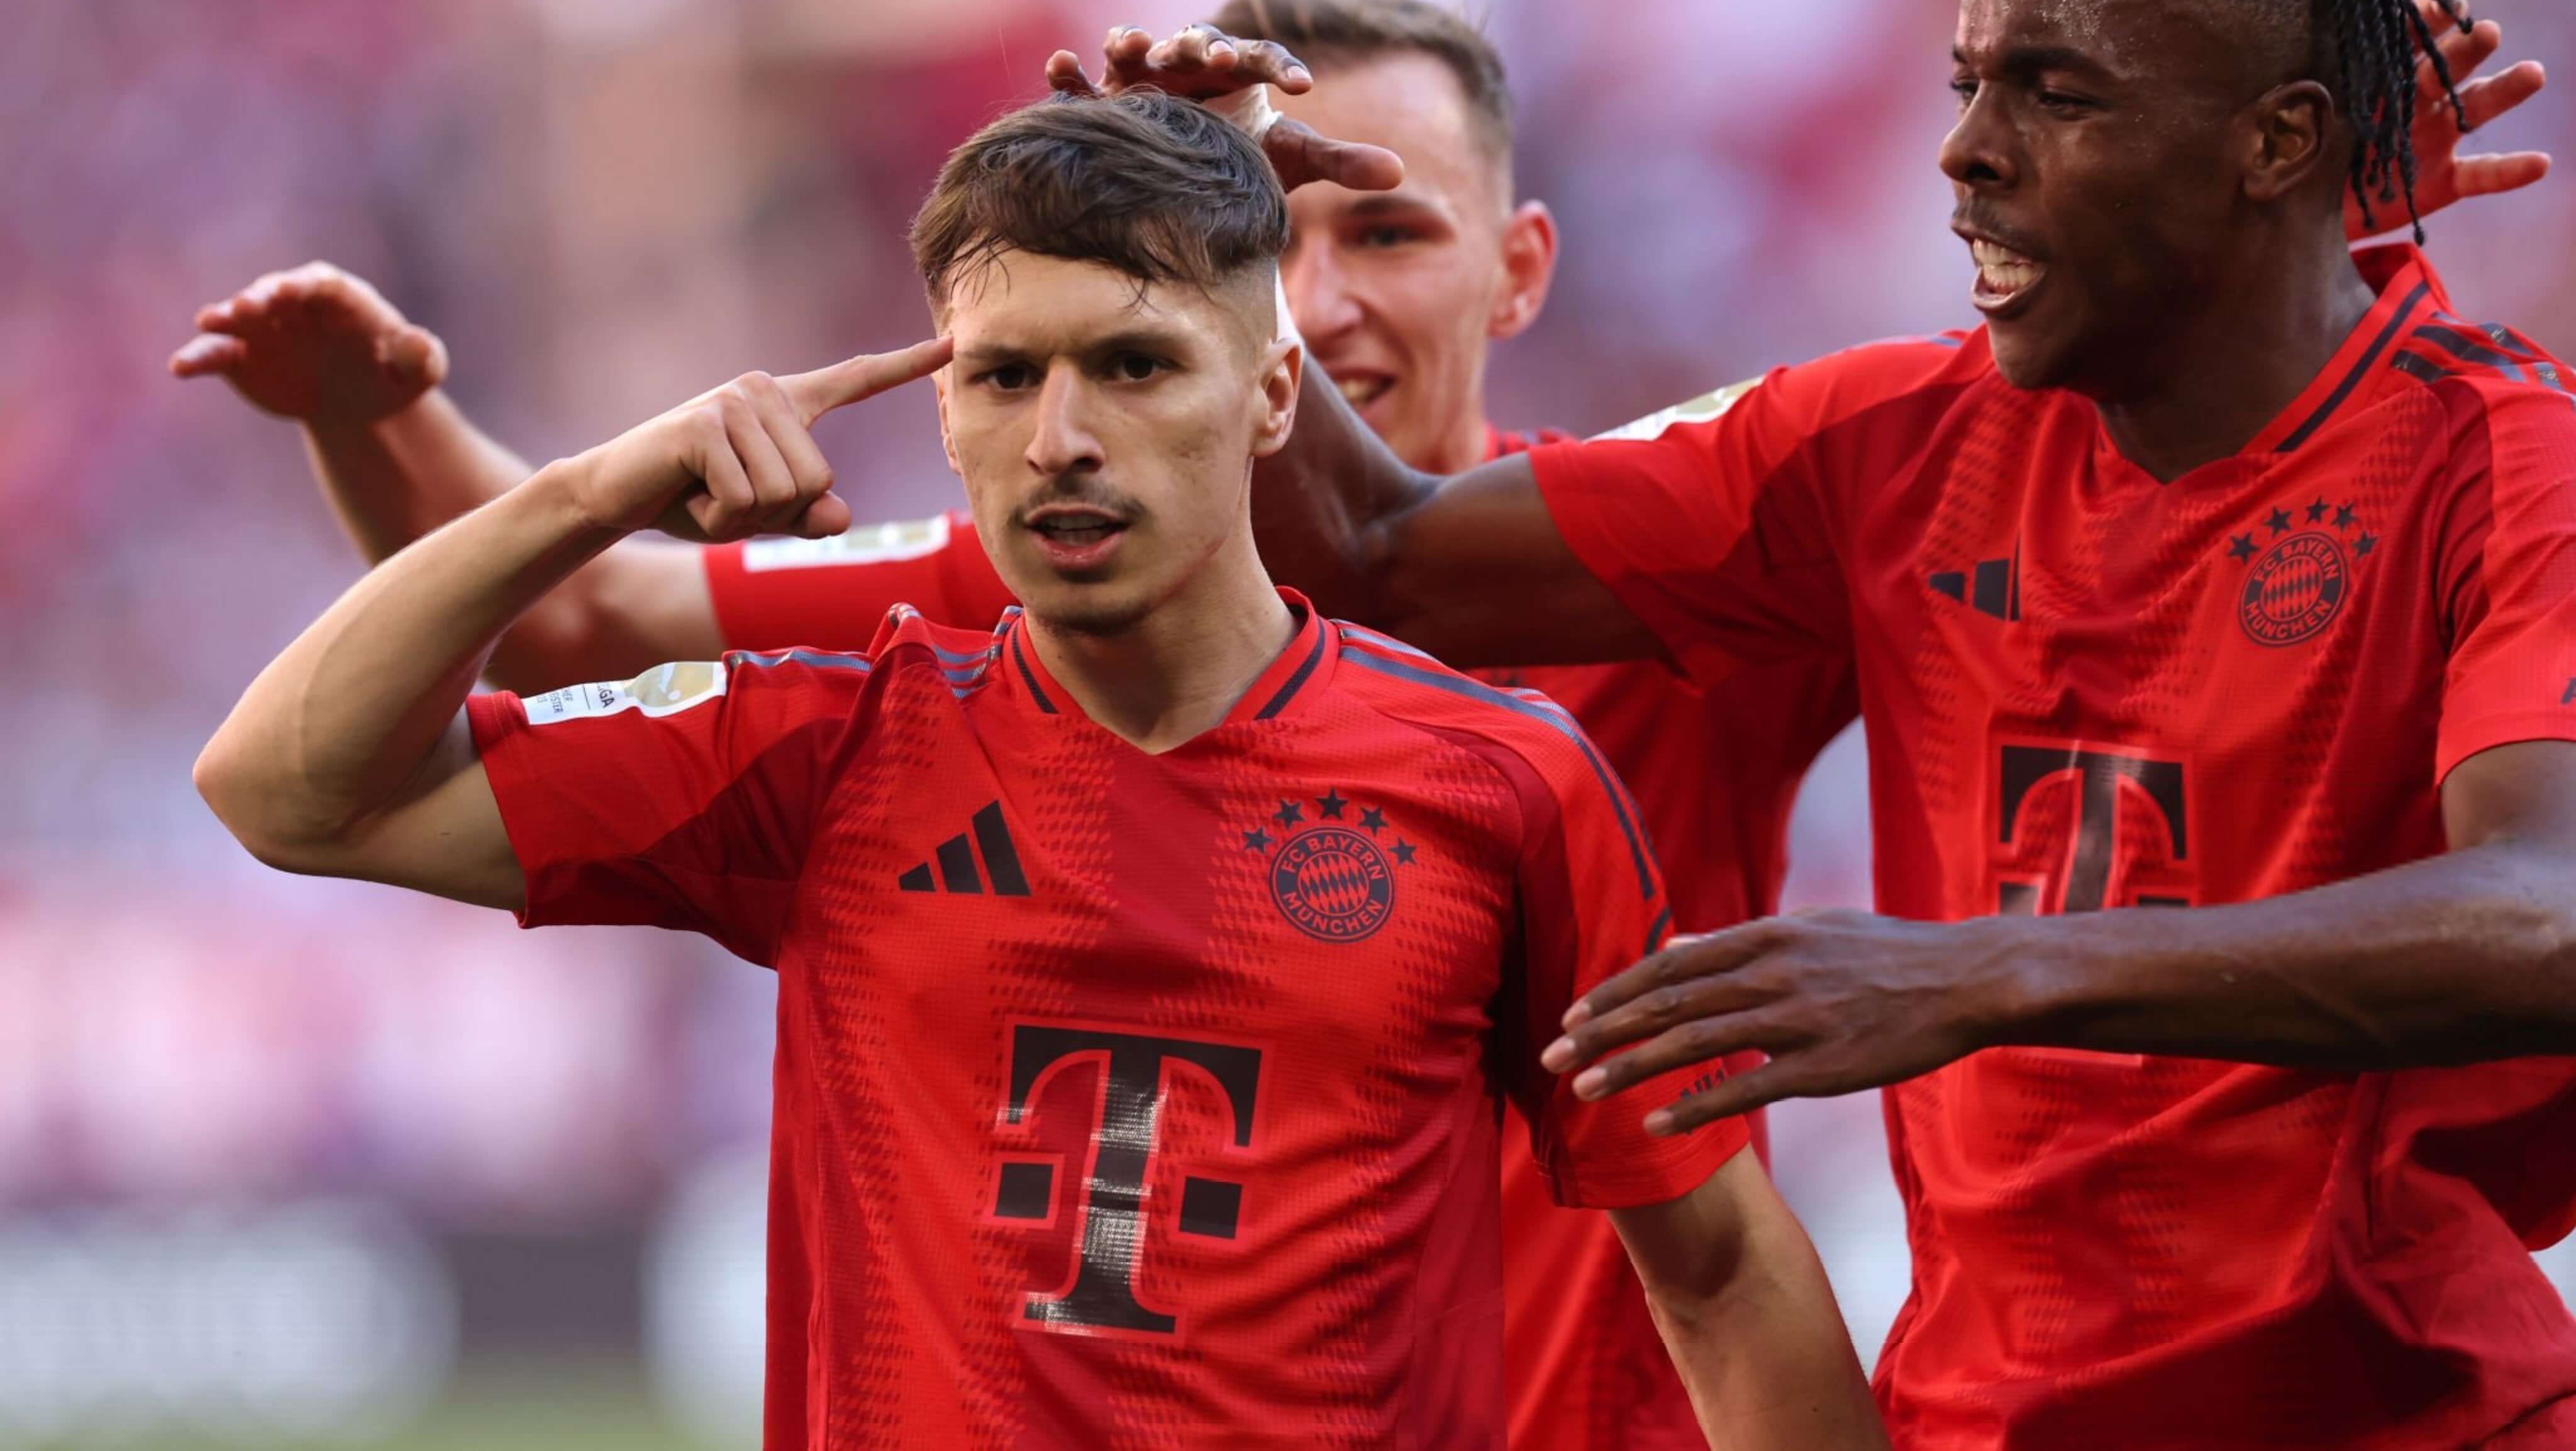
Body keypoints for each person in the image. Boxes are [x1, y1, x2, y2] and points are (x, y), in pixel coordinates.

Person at [170, 0, 2540, 1446]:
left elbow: (2171, 486)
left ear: (1513, 261)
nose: (1322, 284)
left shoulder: (1678, 579)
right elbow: (554, 634)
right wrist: (398, 429)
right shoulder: (974, 627)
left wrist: (2268, 220)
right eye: (1266, 230)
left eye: (1378, 223)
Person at [191, 89, 1884, 1448]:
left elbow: (1722, 1266)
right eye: (1005, 376)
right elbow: (286, 788)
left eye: (1135, 365)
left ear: (1275, 393)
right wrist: (586, 489)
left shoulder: (1505, 782)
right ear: (946, 419)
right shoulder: (825, 749)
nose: (1061, 434)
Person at [1204, 0, 2576, 1447]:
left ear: (2275, 142)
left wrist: (1982, 972)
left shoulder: (2503, 460)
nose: (1964, 154)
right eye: (1966, 85)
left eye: (2055, 96)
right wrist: (1210, 219)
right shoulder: (1890, 439)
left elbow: (2544, 919)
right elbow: (1372, 549)